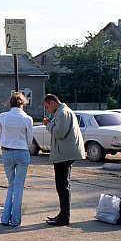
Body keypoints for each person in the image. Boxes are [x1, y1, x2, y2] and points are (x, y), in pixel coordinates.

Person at [42, 94, 86, 226]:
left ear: (53, 103)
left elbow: (59, 133)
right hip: (64, 153)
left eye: (47, 106)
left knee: (62, 186)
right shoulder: (62, 112)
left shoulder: (63, 113)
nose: (47, 110)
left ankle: (64, 217)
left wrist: (48, 125)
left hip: (65, 154)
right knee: (62, 186)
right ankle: (63, 214)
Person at [0, 92, 33, 227]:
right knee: (18, 186)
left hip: (6, 151)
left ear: (10, 103)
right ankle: (16, 220)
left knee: (11, 185)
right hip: (22, 151)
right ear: (23, 104)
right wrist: (24, 147)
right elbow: (29, 139)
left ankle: (5, 218)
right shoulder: (27, 119)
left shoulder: (2, 117)